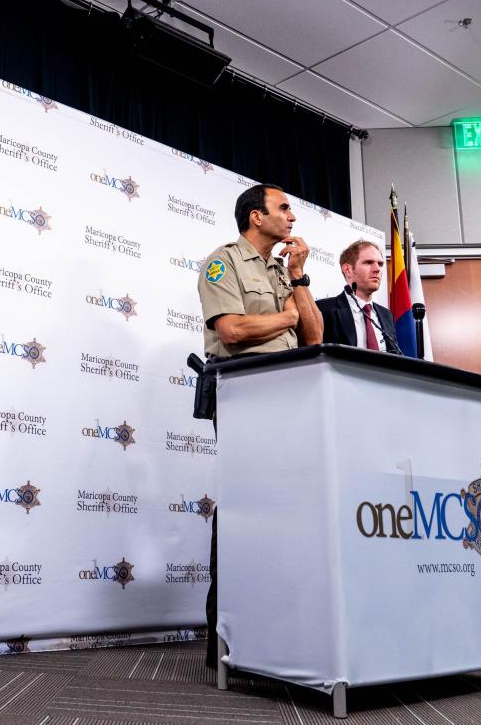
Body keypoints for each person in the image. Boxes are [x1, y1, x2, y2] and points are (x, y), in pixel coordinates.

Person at [196, 183, 322, 670]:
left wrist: (299, 278)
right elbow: (230, 330)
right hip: (244, 395)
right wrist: (286, 317)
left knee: (287, 507)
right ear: (255, 216)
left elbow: (313, 336)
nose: (293, 217)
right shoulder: (222, 262)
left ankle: (283, 625)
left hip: (291, 394)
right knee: (244, 508)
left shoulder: (282, 269)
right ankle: (224, 640)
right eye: (284, 208)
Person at [316, 239, 400, 353]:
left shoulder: (386, 315)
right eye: (368, 262)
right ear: (348, 269)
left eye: (380, 264)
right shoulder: (323, 309)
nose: (377, 269)